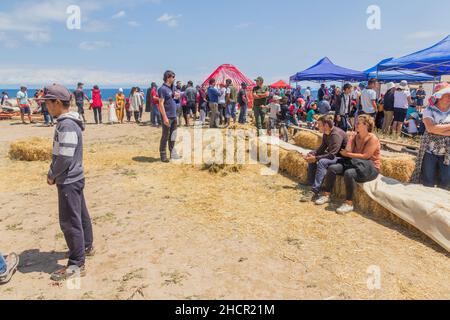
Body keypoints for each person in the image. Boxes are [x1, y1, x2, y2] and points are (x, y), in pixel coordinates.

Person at [43, 84, 94, 282]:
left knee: (69, 222)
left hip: (68, 180)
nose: (46, 107)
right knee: (80, 215)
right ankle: (86, 246)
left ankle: (76, 263)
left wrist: (51, 174)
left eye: (48, 103)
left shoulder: (65, 124)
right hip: (75, 177)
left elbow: (64, 157)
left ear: (57, 103)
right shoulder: (69, 121)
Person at [315, 115, 381, 214]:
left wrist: (348, 154)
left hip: (370, 168)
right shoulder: (356, 137)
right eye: (356, 122)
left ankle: (349, 203)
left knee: (349, 173)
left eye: (359, 123)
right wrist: (350, 140)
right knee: (332, 168)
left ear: (366, 125)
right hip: (356, 163)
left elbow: (366, 156)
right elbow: (347, 151)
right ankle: (326, 195)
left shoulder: (373, 138)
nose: (356, 124)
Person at [301, 115, 349, 202]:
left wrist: (316, 158)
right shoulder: (326, 134)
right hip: (333, 155)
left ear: (326, 125)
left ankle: (315, 190)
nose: (317, 126)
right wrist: (310, 155)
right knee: (312, 154)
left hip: (341, 159)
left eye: (319, 125)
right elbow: (321, 149)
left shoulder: (335, 135)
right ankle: (310, 182)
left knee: (322, 161)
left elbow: (332, 155)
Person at [412, 82, 450, 190]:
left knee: (446, 180)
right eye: (446, 94)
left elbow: (433, 129)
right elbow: (430, 128)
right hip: (429, 151)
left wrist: (436, 130)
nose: (449, 97)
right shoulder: (429, 110)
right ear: (438, 96)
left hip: (447, 152)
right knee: (428, 180)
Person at [158, 71, 179, 163]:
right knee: (165, 136)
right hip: (167, 116)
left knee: (173, 136)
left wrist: (177, 96)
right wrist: (165, 117)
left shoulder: (173, 87)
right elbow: (161, 104)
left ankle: (172, 153)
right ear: (168, 78)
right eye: (173, 77)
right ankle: (163, 155)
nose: (174, 78)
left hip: (174, 116)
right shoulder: (162, 89)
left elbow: (174, 97)